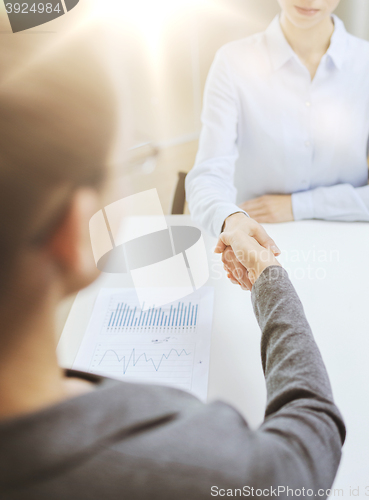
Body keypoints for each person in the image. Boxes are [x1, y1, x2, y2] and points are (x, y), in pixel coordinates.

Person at [0, 36, 345, 500]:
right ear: (72, 227)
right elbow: (305, 451)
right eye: (129, 160)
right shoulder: (197, 466)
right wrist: (269, 276)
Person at [186, 0, 369, 289]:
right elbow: (207, 176)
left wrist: (300, 206)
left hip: (352, 254)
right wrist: (231, 220)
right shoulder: (232, 62)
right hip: (254, 251)